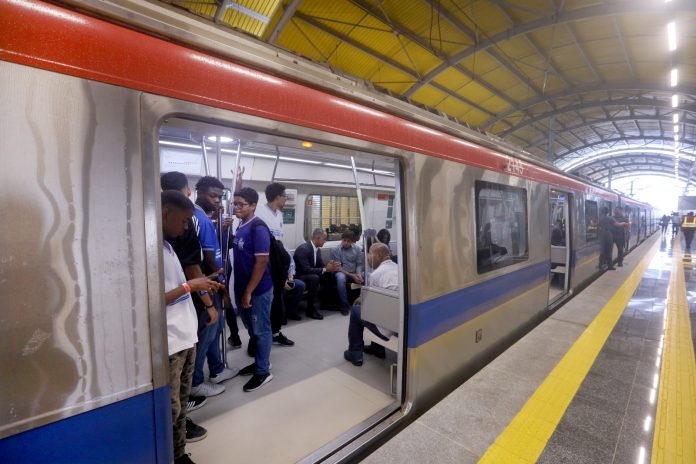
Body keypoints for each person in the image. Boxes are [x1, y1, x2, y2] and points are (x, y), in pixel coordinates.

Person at [161, 190, 223, 464]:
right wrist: (190, 285)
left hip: (186, 336)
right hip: (171, 342)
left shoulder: (169, 247)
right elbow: (151, 300)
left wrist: (204, 282)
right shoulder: (148, 252)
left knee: (181, 405)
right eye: (184, 220)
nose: (186, 226)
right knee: (170, 409)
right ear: (166, 214)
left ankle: (179, 453)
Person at [190, 176, 239, 397]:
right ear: (196, 192)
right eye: (213, 196)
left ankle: (217, 369)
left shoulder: (205, 218)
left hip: (209, 283)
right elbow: (211, 260)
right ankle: (196, 382)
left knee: (215, 329)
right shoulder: (199, 217)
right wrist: (223, 289)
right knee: (208, 331)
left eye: (220, 197)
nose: (218, 201)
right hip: (210, 284)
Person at [232, 187, 275, 392]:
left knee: (261, 330)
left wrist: (249, 291)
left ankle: (263, 371)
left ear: (253, 206)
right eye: (235, 203)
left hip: (258, 290)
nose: (236, 207)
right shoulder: (241, 225)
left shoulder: (258, 228)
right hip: (243, 288)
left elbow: (261, 261)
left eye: (241, 204)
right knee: (252, 328)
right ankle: (261, 361)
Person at [253, 182, 306, 345]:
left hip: (278, 264)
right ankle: (257, 339)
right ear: (277, 197)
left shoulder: (280, 215)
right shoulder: (259, 211)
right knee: (264, 303)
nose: (286, 199)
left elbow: (281, 243)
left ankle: (275, 332)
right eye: (284, 196)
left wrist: (290, 268)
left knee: (277, 300)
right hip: (265, 263)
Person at [343, 243, 398, 366]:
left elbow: (369, 304)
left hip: (388, 325)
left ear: (378, 255)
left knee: (357, 311)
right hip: (400, 320)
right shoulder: (397, 268)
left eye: (369, 253)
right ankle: (377, 349)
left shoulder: (376, 275)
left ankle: (355, 354)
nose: (367, 256)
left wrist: (360, 299)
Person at [294, 228, 341, 320]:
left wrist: (329, 266)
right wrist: (325, 269)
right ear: (317, 238)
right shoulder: (303, 249)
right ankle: (310, 309)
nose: (325, 241)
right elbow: (306, 269)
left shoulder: (317, 249)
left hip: (310, 273)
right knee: (314, 278)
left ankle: (326, 303)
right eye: (324, 239)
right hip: (300, 275)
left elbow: (321, 266)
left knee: (329, 275)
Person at [330, 230, 364, 314]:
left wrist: (358, 274)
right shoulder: (335, 250)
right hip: (342, 272)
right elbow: (338, 267)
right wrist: (352, 275)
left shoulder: (358, 249)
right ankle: (344, 305)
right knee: (340, 278)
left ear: (352, 242)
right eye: (344, 240)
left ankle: (363, 300)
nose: (345, 243)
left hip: (354, 271)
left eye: (348, 241)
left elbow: (359, 264)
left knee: (367, 275)